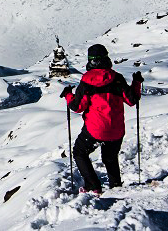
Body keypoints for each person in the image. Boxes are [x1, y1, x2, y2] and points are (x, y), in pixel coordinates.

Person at [60, 44, 143, 194]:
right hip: (116, 129)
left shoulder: (87, 80)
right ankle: (116, 186)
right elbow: (132, 100)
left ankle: (93, 186)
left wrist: (67, 95)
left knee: (79, 152)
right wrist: (136, 83)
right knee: (110, 157)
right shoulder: (117, 78)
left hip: (95, 129)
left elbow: (77, 107)